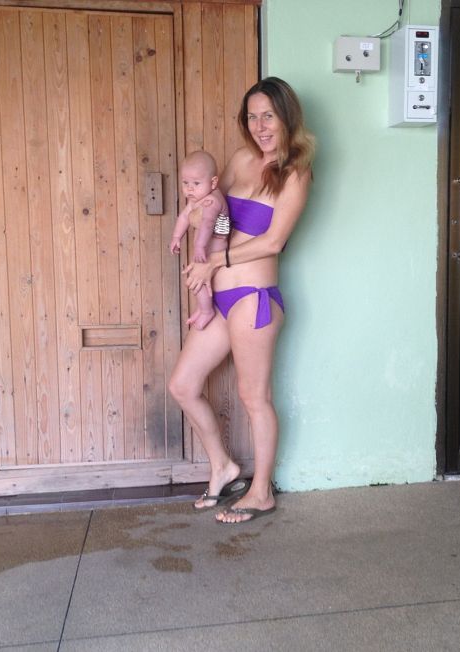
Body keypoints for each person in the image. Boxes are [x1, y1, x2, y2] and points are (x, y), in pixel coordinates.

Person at [169, 77, 314, 524]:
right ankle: (223, 467)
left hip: (254, 297)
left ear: (286, 117)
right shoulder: (239, 159)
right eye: (252, 117)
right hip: (220, 297)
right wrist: (203, 242)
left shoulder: (296, 172)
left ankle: (261, 491)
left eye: (268, 116)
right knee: (183, 385)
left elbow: (273, 242)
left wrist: (217, 259)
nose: (260, 126)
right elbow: (216, 208)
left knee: (254, 397)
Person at [169, 151, 231, 330]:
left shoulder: (212, 201)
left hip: (215, 251)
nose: (190, 189)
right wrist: (176, 237)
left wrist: (199, 246)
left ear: (213, 182)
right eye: (185, 183)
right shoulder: (197, 198)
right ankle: (203, 308)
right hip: (205, 251)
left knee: (197, 280)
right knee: (197, 280)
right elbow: (184, 216)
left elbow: (207, 223)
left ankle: (206, 311)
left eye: (196, 183)